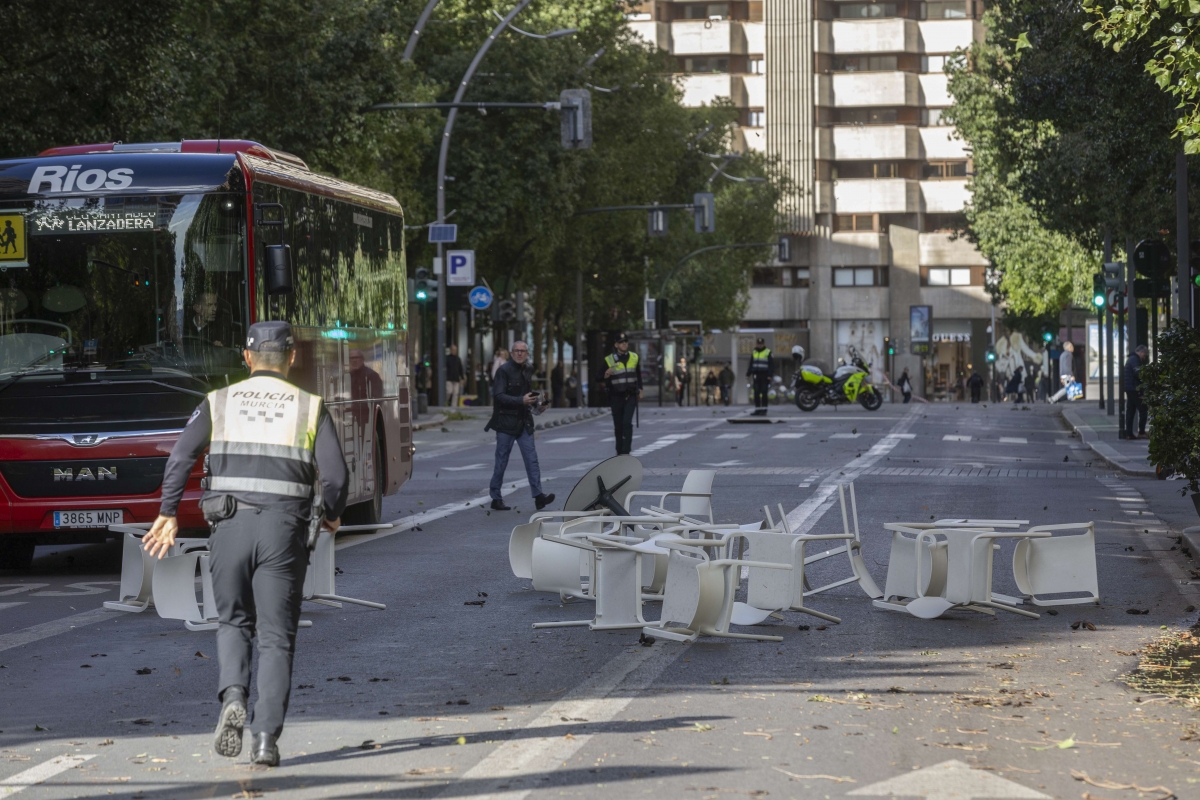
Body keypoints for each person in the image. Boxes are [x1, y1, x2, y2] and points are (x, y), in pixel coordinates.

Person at [142, 321, 349, 767]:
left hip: (229, 528)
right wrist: (332, 513)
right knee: (276, 638)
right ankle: (264, 741)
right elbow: (334, 476)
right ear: (292, 358)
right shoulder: (310, 407)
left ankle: (233, 693)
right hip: (283, 531)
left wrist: (168, 512)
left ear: (247, 357)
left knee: (234, 621)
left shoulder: (218, 401)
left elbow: (180, 456)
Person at [486, 341, 554, 511]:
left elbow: (527, 395)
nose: (519, 354)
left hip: (524, 421)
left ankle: (539, 497)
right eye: (516, 351)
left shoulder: (529, 369)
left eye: (523, 351)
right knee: (501, 460)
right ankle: (495, 498)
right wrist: (520, 400)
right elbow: (499, 396)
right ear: (511, 353)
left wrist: (538, 405)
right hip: (506, 422)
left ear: (527, 353)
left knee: (532, 459)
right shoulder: (503, 371)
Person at [604, 333, 641, 455]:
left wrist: (640, 389)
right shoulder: (609, 359)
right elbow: (599, 376)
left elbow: (638, 374)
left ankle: (626, 451)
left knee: (626, 422)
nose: (624, 344)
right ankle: (619, 451)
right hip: (616, 396)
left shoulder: (634, 357)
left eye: (625, 341)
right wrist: (606, 375)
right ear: (616, 345)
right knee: (618, 425)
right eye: (621, 342)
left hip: (631, 395)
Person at [1124, 344, 1149, 439]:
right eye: (1144, 355)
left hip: (1130, 388)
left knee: (1131, 411)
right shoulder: (1135, 360)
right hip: (1135, 388)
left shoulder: (1131, 359)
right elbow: (1138, 373)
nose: (1144, 357)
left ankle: (1129, 433)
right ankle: (1141, 432)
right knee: (1143, 409)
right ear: (1141, 352)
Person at [747, 337, 773, 415]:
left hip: (764, 375)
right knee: (756, 393)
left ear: (763, 344)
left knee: (764, 393)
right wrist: (748, 374)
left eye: (761, 344)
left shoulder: (768, 352)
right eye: (758, 344)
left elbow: (771, 365)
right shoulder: (754, 352)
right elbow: (751, 364)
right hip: (756, 375)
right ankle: (757, 409)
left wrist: (769, 375)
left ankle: (764, 410)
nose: (760, 345)